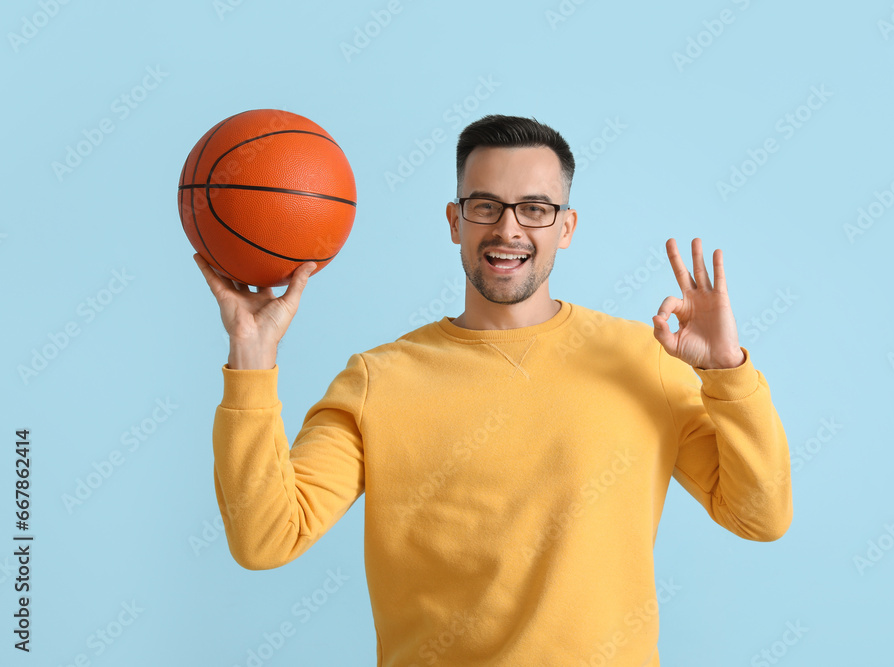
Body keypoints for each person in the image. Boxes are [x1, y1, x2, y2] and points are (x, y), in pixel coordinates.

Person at [194, 114, 793, 666]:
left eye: (535, 208)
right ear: (455, 221)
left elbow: (759, 517)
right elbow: (265, 539)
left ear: (567, 226)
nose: (508, 229)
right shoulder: (378, 381)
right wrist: (253, 353)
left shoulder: (643, 361)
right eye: (485, 206)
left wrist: (727, 373)